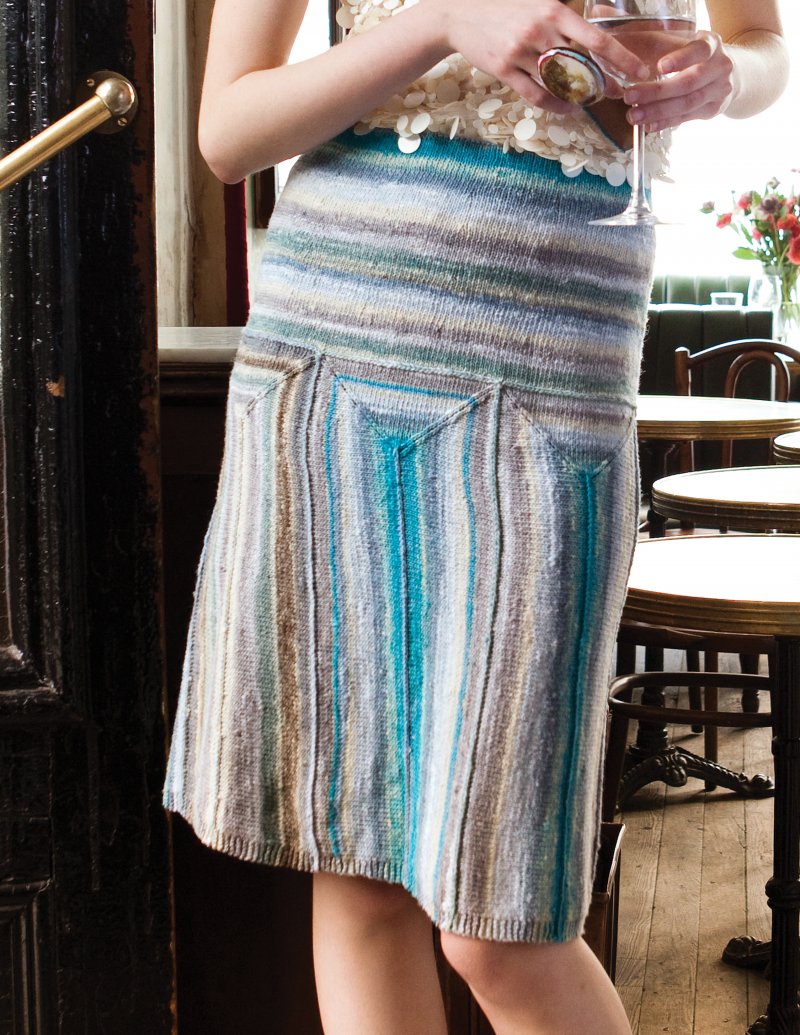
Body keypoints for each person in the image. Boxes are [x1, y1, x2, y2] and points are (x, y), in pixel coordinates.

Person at [163, 1, 788, 1032]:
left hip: (557, 374)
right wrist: (443, 22)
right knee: (357, 861)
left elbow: (762, 48)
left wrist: (726, 75)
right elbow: (229, 134)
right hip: (337, 355)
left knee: (502, 927)